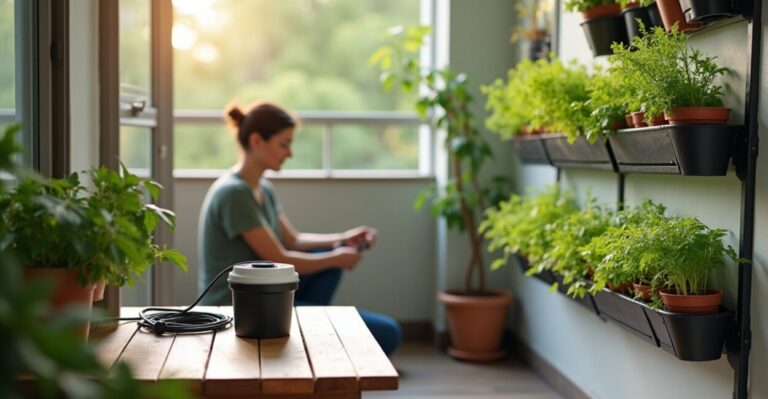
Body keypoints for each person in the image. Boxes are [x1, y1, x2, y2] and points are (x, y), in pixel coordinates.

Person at [197, 101, 401, 355]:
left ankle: (301, 337)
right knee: (388, 333)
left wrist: (342, 239)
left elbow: (292, 240)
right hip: (240, 307)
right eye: (284, 144)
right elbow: (279, 258)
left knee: (329, 266)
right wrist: (335, 256)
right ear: (257, 141)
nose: (289, 153)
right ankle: (305, 336)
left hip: (267, 294)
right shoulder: (234, 193)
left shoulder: (263, 188)